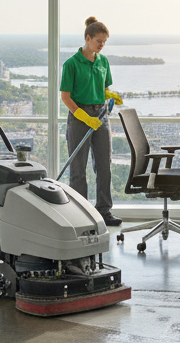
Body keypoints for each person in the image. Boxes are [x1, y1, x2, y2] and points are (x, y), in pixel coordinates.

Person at [60, 16, 123, 227]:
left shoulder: (103, 61)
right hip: (80, 117)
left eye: (105, 42)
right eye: (99, 41)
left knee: (104, 165)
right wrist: (84, 116)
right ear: (88, 38)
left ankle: (104, 211)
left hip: (101, 116)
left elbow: (104, 88)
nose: (102, 45)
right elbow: (66, 97)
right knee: (78, 168)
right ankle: (80, 214)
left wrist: (110, 95)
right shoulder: (71, 64)